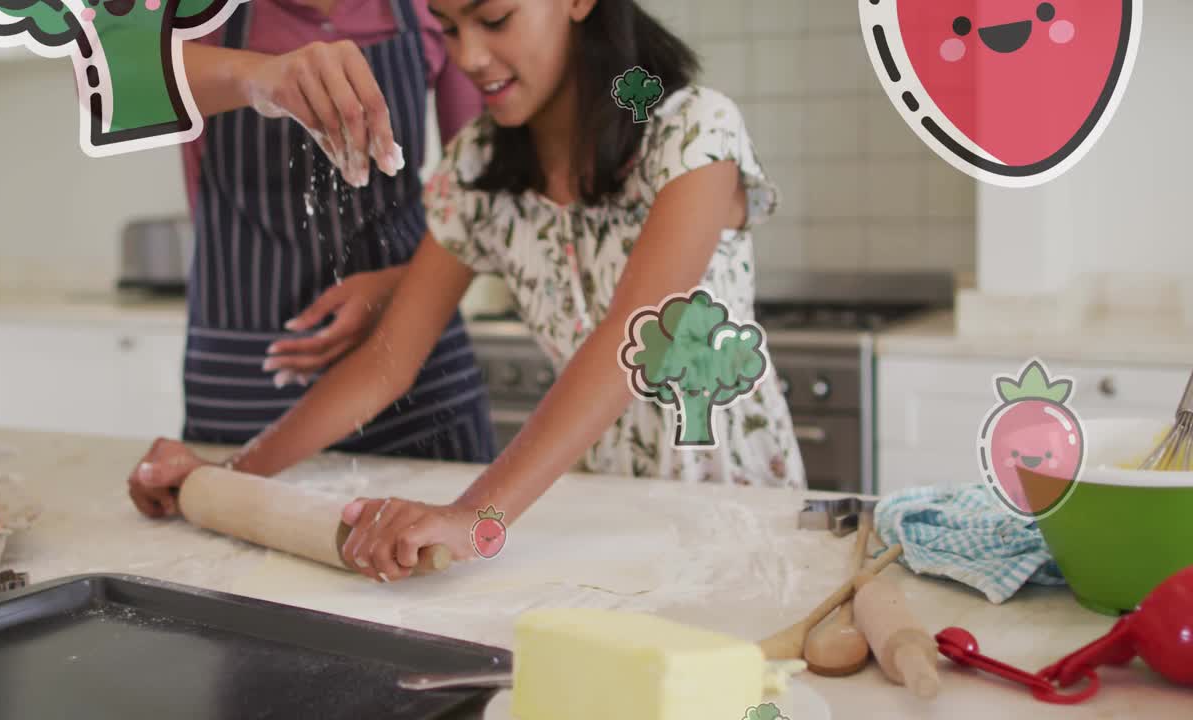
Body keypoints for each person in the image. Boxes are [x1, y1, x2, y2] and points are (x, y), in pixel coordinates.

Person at [130, 0, 806, 578]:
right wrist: (228, 474)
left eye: (494, 18)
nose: (472, 57)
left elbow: (630, 340)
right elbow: (387, 360)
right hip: (599, 510)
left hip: (739, 509)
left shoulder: (691, 132)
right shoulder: (477, 167)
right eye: (449, 28)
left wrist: (475, 515)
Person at [127, 0, 498, 516]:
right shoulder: (199, 12)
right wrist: (256, 76)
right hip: (245, 378)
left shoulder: (437, 10)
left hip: (414, 365)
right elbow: (112, 82)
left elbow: (489, 194)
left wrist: (404, 285)